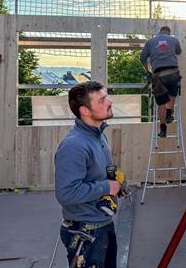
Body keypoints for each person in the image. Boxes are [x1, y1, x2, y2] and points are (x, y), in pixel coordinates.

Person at [55, 81, 121, 268]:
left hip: (102, 224)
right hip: (85, 232)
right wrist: (106, 187)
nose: (109, 101)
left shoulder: (98, 135)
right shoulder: (74, 145)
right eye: (102, 100)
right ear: (85, 110)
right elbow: (66, 193)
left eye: (106, 97)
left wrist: (116, 184)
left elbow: (98, 174)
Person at [140, 25, 182, 137]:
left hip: (158, 75)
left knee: (161, 104)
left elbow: (142, 57)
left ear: (160, 32)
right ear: (168, 32)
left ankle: (163, 129)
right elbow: (179, 52)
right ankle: (169, 113)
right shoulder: (173, 39)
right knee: (173, 93)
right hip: (173, 72)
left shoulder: (150, 42)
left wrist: (147, 71)